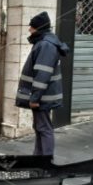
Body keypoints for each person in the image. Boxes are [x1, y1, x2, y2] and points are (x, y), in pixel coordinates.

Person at [15, 11, 70, 157]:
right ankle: (38, 158)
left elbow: (42, 74)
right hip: (44, 95)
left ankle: (45, 161)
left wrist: (34, 98)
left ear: (38, 28)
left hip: (42, 96)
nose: (29, 29)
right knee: (40, 126)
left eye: (31, 27)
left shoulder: (45, 45)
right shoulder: (45, 42)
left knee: (44, 127)